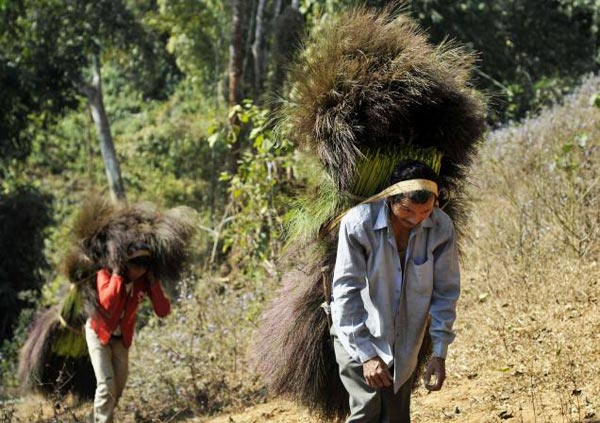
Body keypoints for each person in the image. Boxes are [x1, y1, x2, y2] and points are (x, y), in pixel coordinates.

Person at [331, 160, 460, 422]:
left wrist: (439, 352)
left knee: (397, 417)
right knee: (367, 412)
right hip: (358, 333)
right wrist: (367, 356)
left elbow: (445, 293)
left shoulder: (441, 227)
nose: (416, 219)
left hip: (405, 342)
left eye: (425, 211)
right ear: (390, 199)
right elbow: (346, 292)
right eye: (407, 211)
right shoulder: (358, 224)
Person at [84, 245, 171, 423]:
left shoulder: (144, 281)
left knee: (118, 389)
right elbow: (108, 304)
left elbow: (163, 310)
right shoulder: (105, 273)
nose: (140, 270)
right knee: (107, 386)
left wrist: (154, 283)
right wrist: (117, 274)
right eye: (135, 264)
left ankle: (94, 419)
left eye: (144, 265)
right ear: (124, 263)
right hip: (99, 335)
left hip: (121, 340)